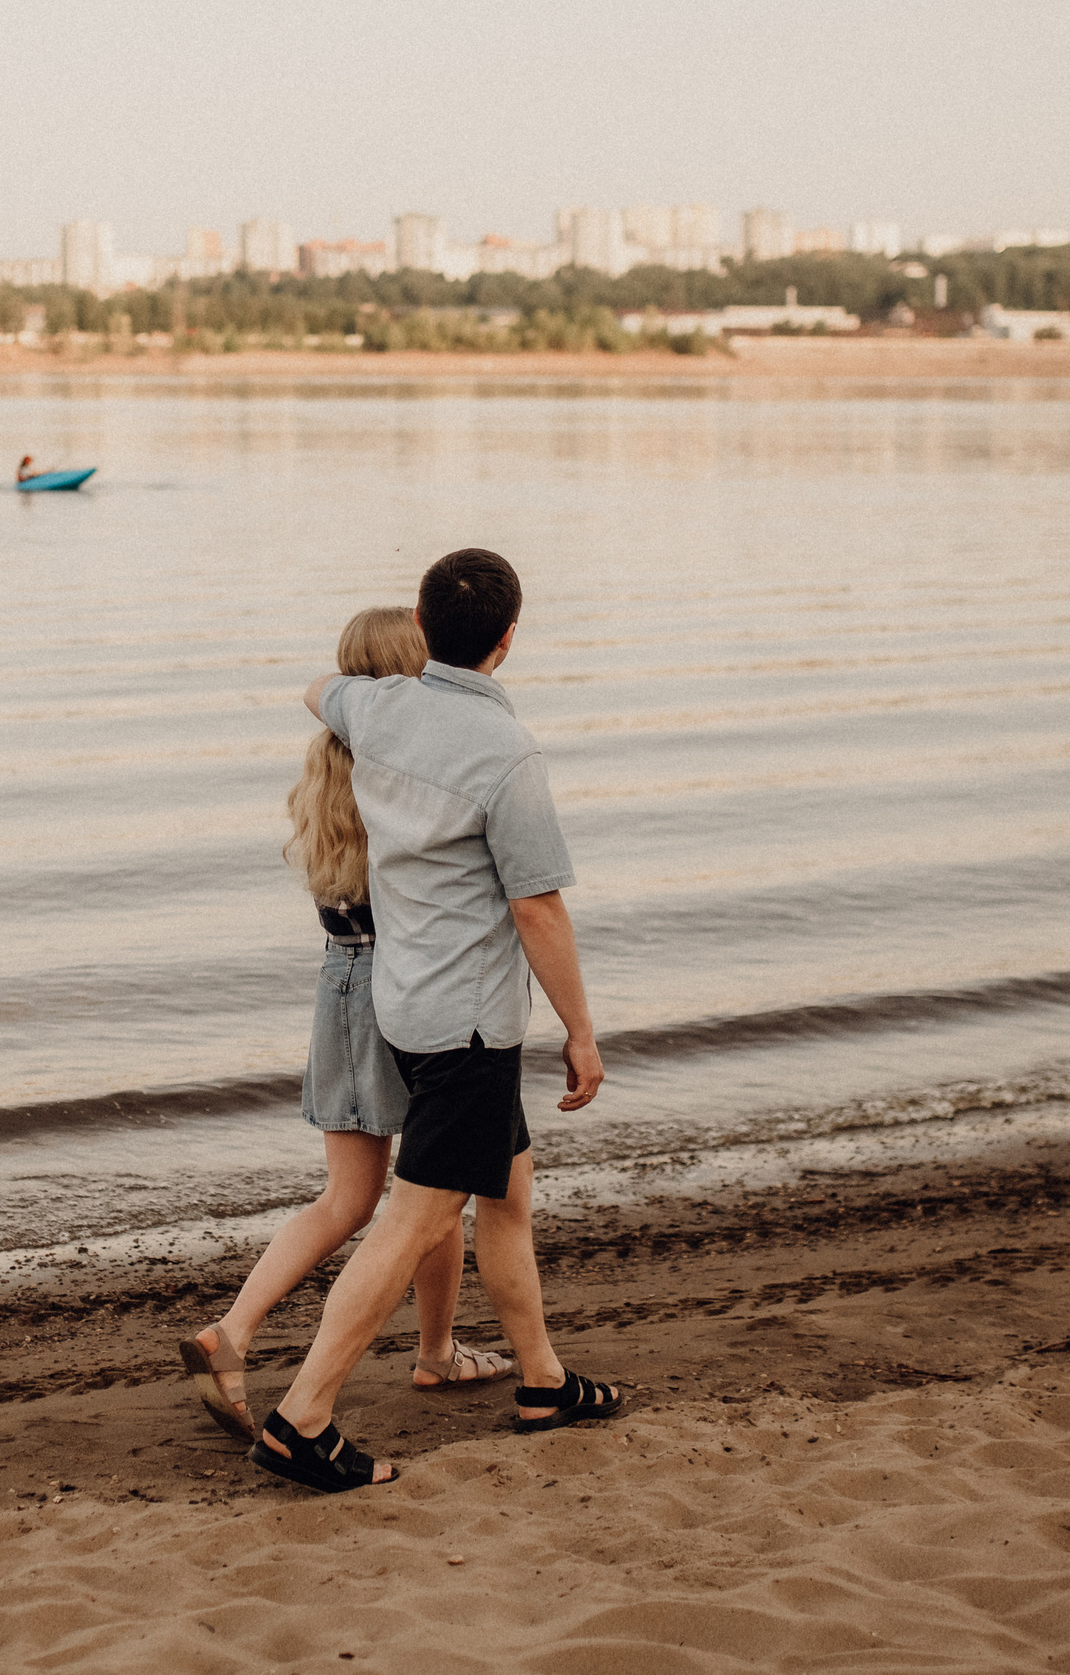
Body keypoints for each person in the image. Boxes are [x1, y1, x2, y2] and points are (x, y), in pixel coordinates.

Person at [249, 548, 619, 1495]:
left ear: (420, 621)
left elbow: (317, 687)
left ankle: (540, 1379)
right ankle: (303, 1416)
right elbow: (538, 909)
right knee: (416, 1218)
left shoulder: (376, 709)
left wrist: (352, 689)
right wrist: (581, 1030)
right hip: (468, 1028)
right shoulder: (508, 754)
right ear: (507, 641)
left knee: (508, 1192)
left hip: (406, 1006)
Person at [177, 607, 514, 1442]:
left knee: (370, 1193)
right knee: (414, 1191)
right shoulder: (399, 768)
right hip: (397, 987)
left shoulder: (328, 761)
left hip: (337, 978)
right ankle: (402, 1348)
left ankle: (257, 1330)